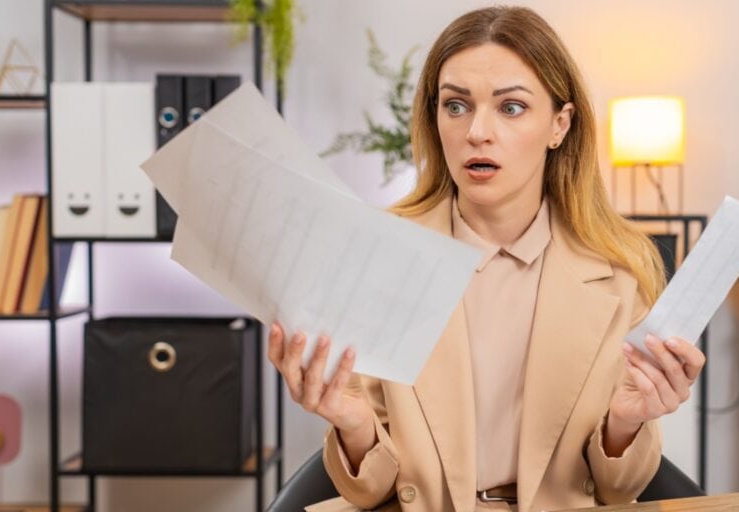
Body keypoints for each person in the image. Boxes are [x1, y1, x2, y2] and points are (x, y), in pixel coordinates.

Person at [267, 6, 706, 512]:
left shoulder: (622, 274)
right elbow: (371, 489)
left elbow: (618, 490)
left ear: (559, 125)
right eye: (456, 106)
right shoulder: (381, 256)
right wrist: (352, 424)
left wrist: (626, 426)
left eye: (511, 107)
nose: (477, 132)